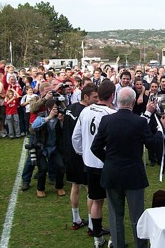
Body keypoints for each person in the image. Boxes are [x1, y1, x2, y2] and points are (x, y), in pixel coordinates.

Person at [90, 87, 165, 248]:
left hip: (112, 174)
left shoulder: (106, 120)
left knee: (115, 215)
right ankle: (140, 245)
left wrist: (109, 161)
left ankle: (119, 244)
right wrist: (162, 130)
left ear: (118, 101)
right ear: (133, 102)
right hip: (133, 175)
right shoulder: (139, 122)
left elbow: (95, 147)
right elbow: (153, 145)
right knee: (137, 216)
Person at [72, 80, 117, 247]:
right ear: (113, 95)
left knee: (96, 201)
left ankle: (97, 239)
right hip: (107, 164)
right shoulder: (112, 114)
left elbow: (75, 137)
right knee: (113, 202)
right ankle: (113, 238)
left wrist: (83, 153)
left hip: (90, 164)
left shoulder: (85, 111)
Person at [63, 84, 99, 233]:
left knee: (75, 186)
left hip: (69, 154)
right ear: (86, 97)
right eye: (95, 97)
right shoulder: (86, 112)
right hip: (80, 154)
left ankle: (76, 219)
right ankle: (92, 224)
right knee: (90, 190)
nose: (97, 100)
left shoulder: (70, 108)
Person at [31, 98, 66, 198]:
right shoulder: (42, 116)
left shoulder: (59, 118)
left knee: (61, 166)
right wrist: (49, 118)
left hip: (54, 147)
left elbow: (64, 131)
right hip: (42, 147)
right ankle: (40, 188)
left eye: (57, 108)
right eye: (54, 108)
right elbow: (34, 126)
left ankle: (59, 186)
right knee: (43, 168)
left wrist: (62, 121)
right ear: (49, 108)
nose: (56, 110)